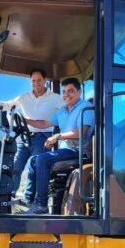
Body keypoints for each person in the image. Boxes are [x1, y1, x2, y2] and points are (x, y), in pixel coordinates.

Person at [24, 77, 93, 214]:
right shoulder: (62, 111)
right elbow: (43, 124)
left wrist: (57, 136)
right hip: (66, 150)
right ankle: (29, 200)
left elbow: (81, 132)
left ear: (79, 92)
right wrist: (25, 120)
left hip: (79, 151)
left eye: (71, 91)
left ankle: (41, 205)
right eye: (64, 91)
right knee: (33, 160)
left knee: (42, 159)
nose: (67, 94)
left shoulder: (86, 108)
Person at [0, 69, 62, 205]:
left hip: (44, 136)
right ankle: (9, 195)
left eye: (39, 80)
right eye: (33, 81)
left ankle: (30, 199)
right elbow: (7, 106)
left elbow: (67, 109)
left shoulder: (54, 98)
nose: (36, 83)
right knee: (16, 166)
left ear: (45, 80)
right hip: (25, 136)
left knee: (35, 167)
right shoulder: (24, 97)